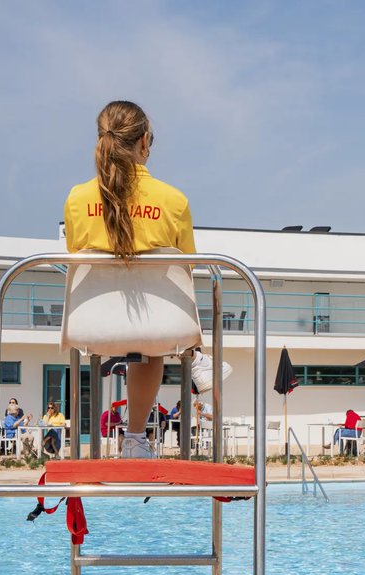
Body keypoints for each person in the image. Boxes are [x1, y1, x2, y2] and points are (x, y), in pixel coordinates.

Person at [64, 100, 228, 459]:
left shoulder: (77, 199)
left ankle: (194, 359)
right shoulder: (173, 200)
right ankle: (137, 436)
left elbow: (78, 253)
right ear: (144, 143)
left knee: (142, 332)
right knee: (151, 340)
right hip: (159, 331)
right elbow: (188, 265)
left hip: (93, 326)